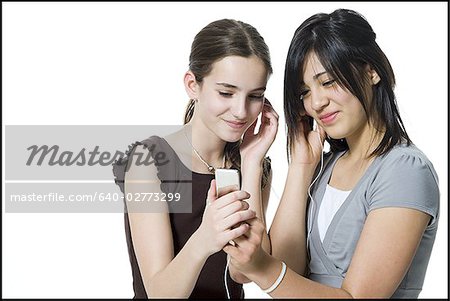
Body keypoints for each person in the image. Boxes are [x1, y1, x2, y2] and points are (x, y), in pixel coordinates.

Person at [223, 8, 440, 298]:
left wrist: (262, 269)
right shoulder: (323, 166)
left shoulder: (405, 170)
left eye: (327, 82)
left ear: (371, 70)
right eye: (304, 92)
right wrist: (301, 166)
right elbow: (289, 271)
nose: (317, 102)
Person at [112, 18, 278, 298]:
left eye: (255, 96)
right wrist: (206, 237)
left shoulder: (254, 164)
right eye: (226, 92)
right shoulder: (149, 161)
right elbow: (159, 293)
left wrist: (251, 164)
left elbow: (248, 272)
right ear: (193, 85)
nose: (240, 111)